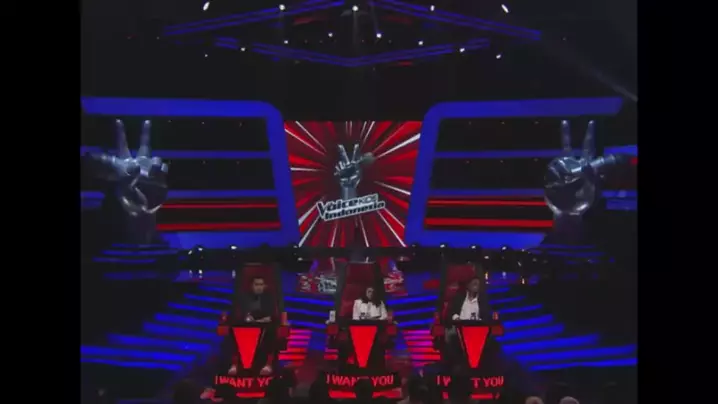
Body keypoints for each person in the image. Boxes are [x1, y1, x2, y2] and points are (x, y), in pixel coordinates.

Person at [221, 276, 278, 376]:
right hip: (247, 324)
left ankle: (268, 364)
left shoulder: (269, 299)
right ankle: (234, 364)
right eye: (256, 285)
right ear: (251, 286)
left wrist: (258, 320)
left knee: (272, 331)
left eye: (261, 285)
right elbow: (241, 313)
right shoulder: (244, 298)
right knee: (232, 331)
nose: (259, 287)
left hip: (265, 325)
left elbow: (270, 317)